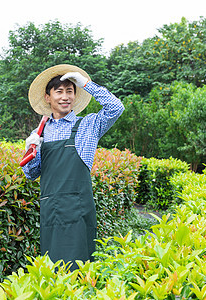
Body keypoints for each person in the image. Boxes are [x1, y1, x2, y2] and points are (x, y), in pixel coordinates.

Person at [22, 64, 124, 270]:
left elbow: (116, 108)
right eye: (59, 91)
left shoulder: (88, 125)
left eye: (70, 91)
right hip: (52, 210)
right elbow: (31, 174)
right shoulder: (40, 132)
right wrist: (30, 149)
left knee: (81, 267)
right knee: (53, 270)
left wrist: (86, 84)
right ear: (47, 97)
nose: (65, 97)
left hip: (79, 211)